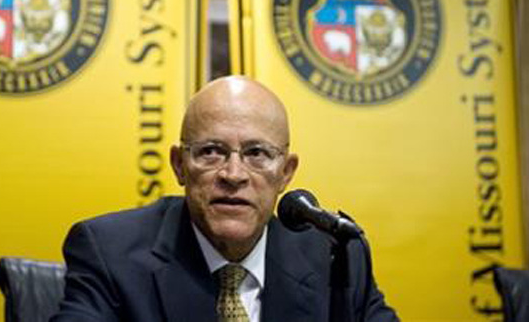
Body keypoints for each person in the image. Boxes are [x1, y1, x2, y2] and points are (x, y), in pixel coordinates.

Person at [51, 76, 398, 321]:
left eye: (257, 153)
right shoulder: (109, 252)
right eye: (212, 151)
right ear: (179, 165)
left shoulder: (335, 259)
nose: (233, 174)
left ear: (286, 173)